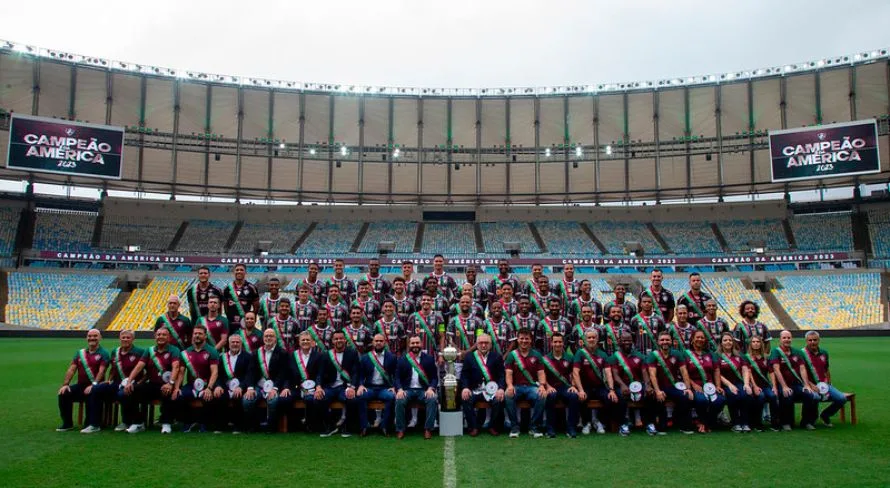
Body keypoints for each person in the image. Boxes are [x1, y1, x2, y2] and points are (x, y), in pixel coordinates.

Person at [125, 328, 181, 434]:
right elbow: (139, 366)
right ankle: (138, 422)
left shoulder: (174, 350)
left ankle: (166, 423)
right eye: (158, 335)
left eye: (164, 335)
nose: (161, 337)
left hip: (167, 384)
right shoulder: (149, 350)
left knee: (168, 392)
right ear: (155, 337)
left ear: (169, 338)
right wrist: (129, 382)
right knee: (131, 390)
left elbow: (176, 367)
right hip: (152, 384)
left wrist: (170, 383)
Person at [57, 329, 110, 433]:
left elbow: (102, 371)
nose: (92, 338)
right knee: (64, 394)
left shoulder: (103, 353)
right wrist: (65, 384)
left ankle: (92, 424)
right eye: (89, 336)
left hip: (97, 386)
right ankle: (67, 423)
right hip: (81, 385)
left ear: (100, 338)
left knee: (93, 392)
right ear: (86, 338)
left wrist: (94, 384)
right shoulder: (80, 353)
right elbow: (72, 369)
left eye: (95, 336)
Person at [244, 328, 294, 432]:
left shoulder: (282, 353)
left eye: (271, 336)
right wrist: (250, 388)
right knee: (247, 400)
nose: (268, 338)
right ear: (263, 338)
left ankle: (271, 427)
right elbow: (250, 372)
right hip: (259, 386)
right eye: (266, 336)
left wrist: (275, 388)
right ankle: (254, 426)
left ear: (275, 338)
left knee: (273, 401)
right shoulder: (256, 353)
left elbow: (283, 373)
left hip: (275, 386)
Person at [609, 331, 657, 436]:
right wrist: (622, 385)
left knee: (650, 394)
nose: (627, 342)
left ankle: (649, 423)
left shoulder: (639, 355)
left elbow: (644, 372)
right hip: (622, 385)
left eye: (629, 340)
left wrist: (648, 385)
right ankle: (624, 424)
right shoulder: (615, 357)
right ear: (619, 341)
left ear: (633, 341)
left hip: (637, 385)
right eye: (624, 340)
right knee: (620, 396)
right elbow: (615, 375)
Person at [173, 324, 220, 433]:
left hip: (206, 385)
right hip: (191, 385)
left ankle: (204, 423)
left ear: (205, 336)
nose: (197, 336)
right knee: (179, 396)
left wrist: (209, 388)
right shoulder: (186, 352)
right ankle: (187, 422)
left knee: (208, 397)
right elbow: (181, 372)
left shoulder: (212, 351)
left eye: (200, 333)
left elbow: (215, 372)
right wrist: (177, 387)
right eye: (195, 333)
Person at [314, 330, 361, 437]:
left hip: (345, 387)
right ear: (332, 341)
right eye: (336, 339)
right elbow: (320, 374)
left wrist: (352, 387)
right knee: (318, 399)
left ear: (345, 340)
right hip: (330, 387)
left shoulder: (352, 353)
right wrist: (318, 387)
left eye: (341, 338)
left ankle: (346, 427)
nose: (339, 340)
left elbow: (355, 372)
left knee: (352, 399)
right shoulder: (326, 355)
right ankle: (330, 426)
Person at [770, 330, 818, 431]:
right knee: (787, 395)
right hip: (782, 385)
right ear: (780, 339)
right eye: (784, 338)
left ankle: (806, 422)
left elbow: (802, 369)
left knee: (809, 395)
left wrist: (806, 385)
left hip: (797, 384)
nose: (787, 340)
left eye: (789, 338)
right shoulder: (776, 352)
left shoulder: (797, 352)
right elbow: (776, 370)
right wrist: (784, 386)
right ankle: (786, 422)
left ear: (791, 339)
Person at [680, 329, 726, 433]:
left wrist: (718, 386)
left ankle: (706, 422)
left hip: (710, 386)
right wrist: (693, 385)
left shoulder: (710, 354)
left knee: (720, 400)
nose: (700, 339)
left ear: (705, 340)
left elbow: (716, 370)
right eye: (697, 337)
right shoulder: (686, 354)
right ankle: (704, 423)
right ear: (692, 339)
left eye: (702, 337)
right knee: (701, 400)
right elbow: (684, 372)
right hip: (696, 386)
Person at [504, 328, 548, 438]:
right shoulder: (512, 355)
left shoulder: (537, 355)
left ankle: (534, 427)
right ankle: (514, 427)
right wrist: (510, 386)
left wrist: (542, 386)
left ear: (531, 340)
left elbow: (541, 373)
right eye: (522, 338)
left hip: (531, 387)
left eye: (527, 339)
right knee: (508, 395)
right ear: (517, 340)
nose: (524, 341)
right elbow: (508, 374)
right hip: (516, 386)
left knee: (542, 395)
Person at [647, 331, 693, 434]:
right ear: (658, 342)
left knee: (685, 397)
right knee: (658, 398)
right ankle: (661, 426)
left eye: (667, 340)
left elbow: (684, 371)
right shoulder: (653, 355)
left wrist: (688, 388)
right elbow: (652, 375)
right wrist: (657, 391)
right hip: (659, 387)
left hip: (674, 386)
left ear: (671, 341)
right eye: (662, 340)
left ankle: (683, 425)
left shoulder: (677, 354)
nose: (665, 342)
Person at [799, 331, 847, 429]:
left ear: (819, 340)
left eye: (815, 340)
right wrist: (810, 385)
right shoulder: (802, 353)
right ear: (806, 341)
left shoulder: (824, 353)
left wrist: (829, 382)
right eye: (810, 340)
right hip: (810, 385)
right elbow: (800, 372)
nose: (813, 342)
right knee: (815, 397)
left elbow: (826, 369)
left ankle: (825, 415)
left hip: (824, 384)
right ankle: (809, 421)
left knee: (841, 398)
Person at [394, 336, 439, 439]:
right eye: (413, 343)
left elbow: (434, 378)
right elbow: (397, 378)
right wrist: (400, 389)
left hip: (423, 390)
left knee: (432, 399)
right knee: (399, 400)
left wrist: (431, 388)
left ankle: (428, 429)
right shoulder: (402, 359)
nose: (415, 345)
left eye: (417, 343)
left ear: (421, 344)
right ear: (409, 345)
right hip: (407, 390)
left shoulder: (429, 359)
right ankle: (400, 429)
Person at [460, 333, 506, 436]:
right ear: (476, 344)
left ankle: (493, 426)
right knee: (466, 398)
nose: (483, 345)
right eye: (481, 343)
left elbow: (501, 375)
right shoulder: (469, 357)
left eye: (486, 343)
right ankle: (473, 427)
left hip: (492, 390)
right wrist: (465, 388)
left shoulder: (497, 356)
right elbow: (465, 375)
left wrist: (501, 389)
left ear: (491, 345)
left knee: (499, 400)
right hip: (475, 389)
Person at [572, 329, 615, 435]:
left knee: (609, 398)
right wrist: (580, 390)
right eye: (589, 338)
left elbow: (608, 373)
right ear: (585, 340)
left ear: (597, 339)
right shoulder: (580, 353)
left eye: (593, 337)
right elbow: (575, 372)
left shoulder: (603, 354)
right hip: (585, 386)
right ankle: (586, 423)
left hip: (599, 386)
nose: (591, 339)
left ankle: (600, 422)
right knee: (581, 397)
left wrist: (611, 390)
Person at [357, 334, 398, 436]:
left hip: (384, 388)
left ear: (385, 343)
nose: (378, 343)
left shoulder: (392, 357)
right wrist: (361, 385)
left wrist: (394, 387)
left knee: (391, 397)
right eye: (376, 341)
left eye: (381, 341)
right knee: (360, 396)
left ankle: (384, 426)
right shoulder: (365, 357)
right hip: (370, 387)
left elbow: (396, 375)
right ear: (373, 343)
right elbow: (360, 375)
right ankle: (364, 427)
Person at [541, 333, 580, 438]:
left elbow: (574, 374)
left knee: (574, 396)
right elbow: (542, 375)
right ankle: (550, 428)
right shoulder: (545, 358)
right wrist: (548, 387)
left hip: (565, 387)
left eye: (559, 342)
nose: (557, 344)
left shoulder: (570, 358)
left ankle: (571, 428)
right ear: (551, 343)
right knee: (551, 396)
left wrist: (573, 386)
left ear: (563, 343)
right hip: (551, 386)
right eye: (555, 342)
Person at [106, 330, 145, 432]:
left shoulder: (140, 352)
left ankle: (128, 421)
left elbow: (147, 371)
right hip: (117, 383)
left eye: (128, 337)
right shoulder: (115, 352)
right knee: (97, 389)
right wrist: (109, 380)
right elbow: (113, 369)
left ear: (133, 339)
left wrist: (139, 383)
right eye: (123, 337)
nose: (125, 339)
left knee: (123, 394)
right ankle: (94, 423)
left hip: (134, 384)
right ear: (120, 338)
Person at [214, 333, 252, 433]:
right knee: (220, 396)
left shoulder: (247, 357)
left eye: (237, 342)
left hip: (240, 386)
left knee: (238, 396)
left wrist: (241, 387)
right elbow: (218, 375)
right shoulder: (222, 357)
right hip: (225, 387)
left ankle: (238, 426)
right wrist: (218, 386)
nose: (235, 344)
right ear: (229, 344)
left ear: (241, 344)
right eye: (233, 342)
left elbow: (248, 375)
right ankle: (221, 425)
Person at [742, 335, 780, 432]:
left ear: (761, 344)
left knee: (773, 396)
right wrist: (754, 386)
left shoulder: (766, 357)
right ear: (750, 344)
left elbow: (771, 372)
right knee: (761, 397)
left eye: (758, 342)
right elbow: (748, 373)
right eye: (753, 342)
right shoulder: (747, 357)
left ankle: (775, 423)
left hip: (765, 385)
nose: (756, 344)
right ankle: (757, 423)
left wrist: (774, 386)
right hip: (753, 385)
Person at [716, 331, 750, 432]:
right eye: (725, 340)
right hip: (725, 384)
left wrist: (746, 384)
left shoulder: (739, 355)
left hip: (739, 382)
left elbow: (745, 370)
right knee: (733, 395)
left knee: (744, 394)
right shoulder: (717, 356)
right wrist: (729, 385)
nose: (728, 342)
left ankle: (745, 423)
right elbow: (718, 374)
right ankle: (735, 423)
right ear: (721, 342)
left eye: (730, 340)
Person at [292, 332, 322, 432]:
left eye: (308, 340)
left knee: (310, 399)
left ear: (312, 342)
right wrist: (287, 387)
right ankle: (293, 424)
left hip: (312, 388)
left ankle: (310, 425)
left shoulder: (318, 356)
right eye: (303, 340)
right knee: (285, 399)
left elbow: (319, 374)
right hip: (296, 387)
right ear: (299, 342)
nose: (305, 342)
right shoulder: (293, 355)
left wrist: (318, 386)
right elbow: (289, 373)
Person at [221, 263, 260, 334]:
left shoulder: (252, 288)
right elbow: (226, 308)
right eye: (237, 270)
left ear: (245, 272)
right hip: (231, 323)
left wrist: (250, 319)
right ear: (234, 272)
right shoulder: (227, 288)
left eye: (241, 270)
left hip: (245, 323)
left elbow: (256, 308)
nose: (239, 271)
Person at [445, 295, 482, 365]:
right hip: (457, 359)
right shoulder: (453, 321)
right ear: (459, 304)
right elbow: (449, 339)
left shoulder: (478, 321)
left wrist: (467, 352)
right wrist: (459, 351)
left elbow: (480, 339)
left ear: (471, 304)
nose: (465, 304)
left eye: (467, 302)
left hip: (474, 359)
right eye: (462, 302)